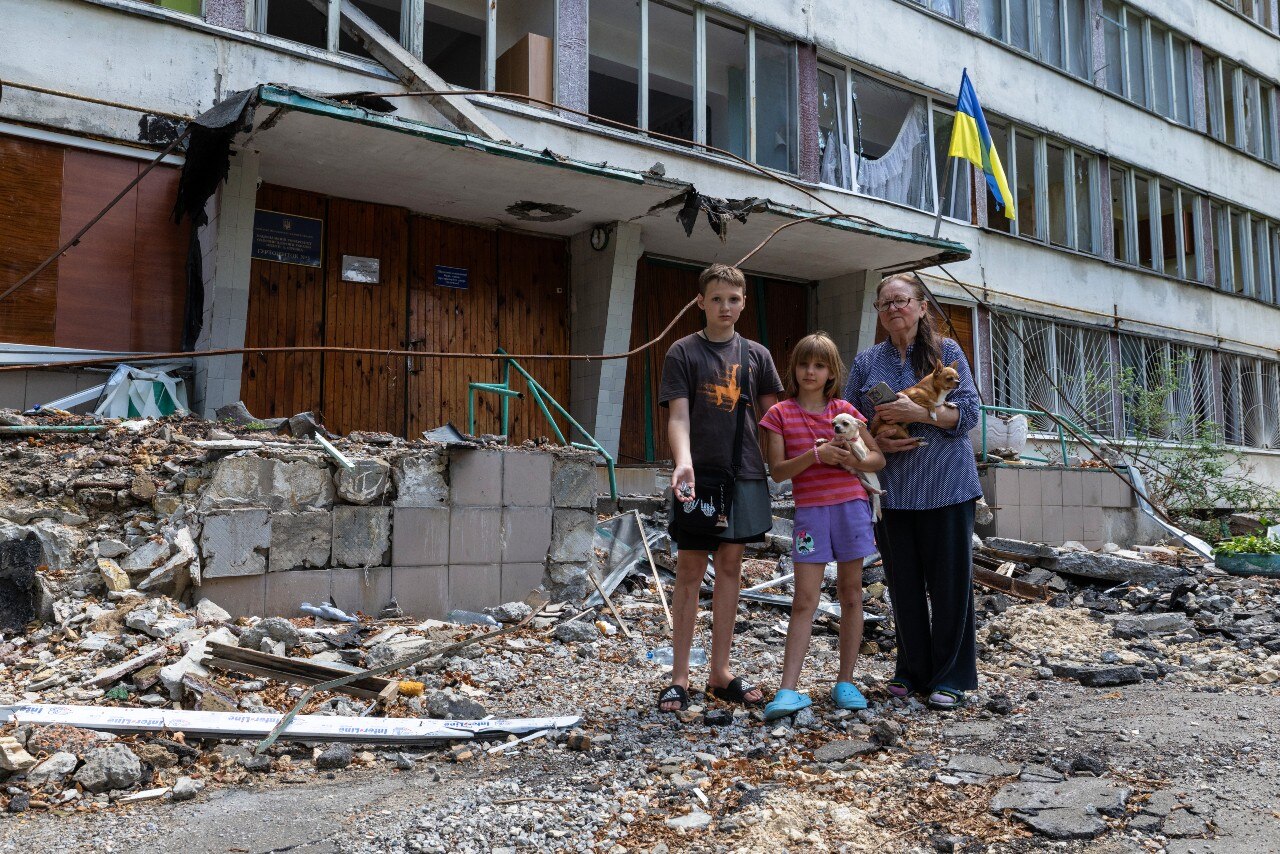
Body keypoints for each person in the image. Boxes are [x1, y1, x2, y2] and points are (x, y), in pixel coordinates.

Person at [843, 274, 982, 710]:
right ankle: (910, 670)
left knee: (950, 585)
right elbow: (849, 417)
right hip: (894, 490)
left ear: (922, 307)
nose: (893, 310)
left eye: (901, 301)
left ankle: (952, 677)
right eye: (884, 304)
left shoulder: (947, 353)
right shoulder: (868, 361)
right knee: (903, 585)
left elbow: (971, 415)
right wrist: (874, 442)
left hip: (947, 485)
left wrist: (917, 411)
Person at [657, 263, 784, 713]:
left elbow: (774, 422)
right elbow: (678, 415)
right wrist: (684, 462)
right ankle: (679, 675)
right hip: (699, 476)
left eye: (733, 299)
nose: (725, 307)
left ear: (744, 302)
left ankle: (720, 672)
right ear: (701, 302)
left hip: (745, 473)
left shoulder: (758, 356)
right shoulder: (682, 352)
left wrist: (785, 467)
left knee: (731, 567)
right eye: (716, 299)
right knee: (690, 570)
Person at [758, 333, 884, 720]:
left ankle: (846, 681)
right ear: (793, 369)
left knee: (851, 594)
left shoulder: (845, 410)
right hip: (811, 512)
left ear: (831, 372)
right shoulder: (779, 414)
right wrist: (815, 455)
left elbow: (877, 459)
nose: (810, 372)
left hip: (852, 507)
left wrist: (850, 461)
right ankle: (788, 689)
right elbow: (777, 472)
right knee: (804, 600)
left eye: (819, 365)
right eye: (804, 364)